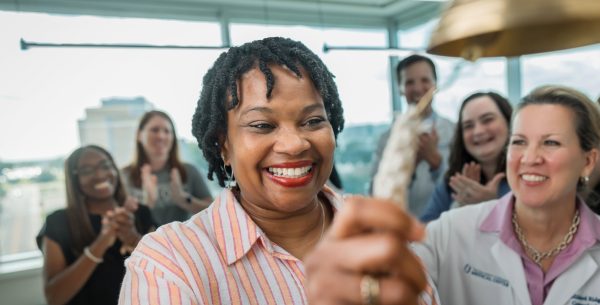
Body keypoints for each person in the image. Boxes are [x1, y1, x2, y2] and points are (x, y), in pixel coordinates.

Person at [118, 37, 435, 305]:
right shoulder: (169, 262)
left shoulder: (376, 234)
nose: (294, 144)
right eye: (262, 125)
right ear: (223, 144)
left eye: (312, 121)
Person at [306, 85, 600, 305]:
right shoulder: (450, 232)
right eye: (519, 142)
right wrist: (356, 281)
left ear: (588, 160)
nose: (530, 157)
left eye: (550, 142)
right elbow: (393, 277)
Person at [37, 145, 155, 305]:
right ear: (74, 179)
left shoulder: (141, 214)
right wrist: (101, 242)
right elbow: (54, 298)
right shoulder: (58, 223)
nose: (99, 175)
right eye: (86, 170)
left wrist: (133, 239)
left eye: (105, 166)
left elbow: (165, 272)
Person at [370, 54, 455, 216]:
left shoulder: (454, 132)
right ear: (400, 89)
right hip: (404, 229)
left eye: (425, 80)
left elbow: (461, 193)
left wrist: (436, 164)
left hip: (446, 227)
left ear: (435, 85)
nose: (417, 88)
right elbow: (376, 193)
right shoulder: (387, 140)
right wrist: (408, 166)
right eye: (409, 82)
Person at [420, 92, 512, 222]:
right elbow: (421, 234)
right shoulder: (453, 184)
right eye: (468, 126)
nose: (478, 131)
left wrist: (493, 207)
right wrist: (459, 208)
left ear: (509, 123)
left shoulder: (528, 178)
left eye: (487, 120)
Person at [122, 110, 213, 226]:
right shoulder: (124, 176)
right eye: (154, 130)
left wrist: (183, 199)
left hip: (184, 242)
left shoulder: (189, 171)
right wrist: (147, 204)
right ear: (139, 135)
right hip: (143, 243)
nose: (161, 136)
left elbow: (212, 211)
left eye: (167, 131)